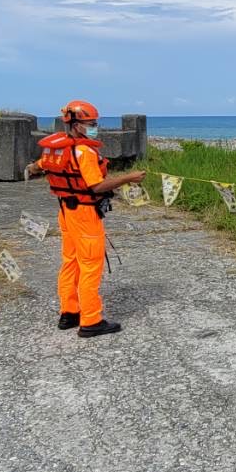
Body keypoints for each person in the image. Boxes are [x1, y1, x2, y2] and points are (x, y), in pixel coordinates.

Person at [27, 99, 145, 338]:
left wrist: (31, 168)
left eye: (95, 123)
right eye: (90, 123)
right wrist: (128, 178)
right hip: (83, 213)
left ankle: (69, 312)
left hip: (65, 211)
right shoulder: (85, 152)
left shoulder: (59, 148)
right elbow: (97, 185)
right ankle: (91, 320)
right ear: (76, 124)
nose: (94, 127)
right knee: (91, 264)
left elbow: (38, 166)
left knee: (70, 261)